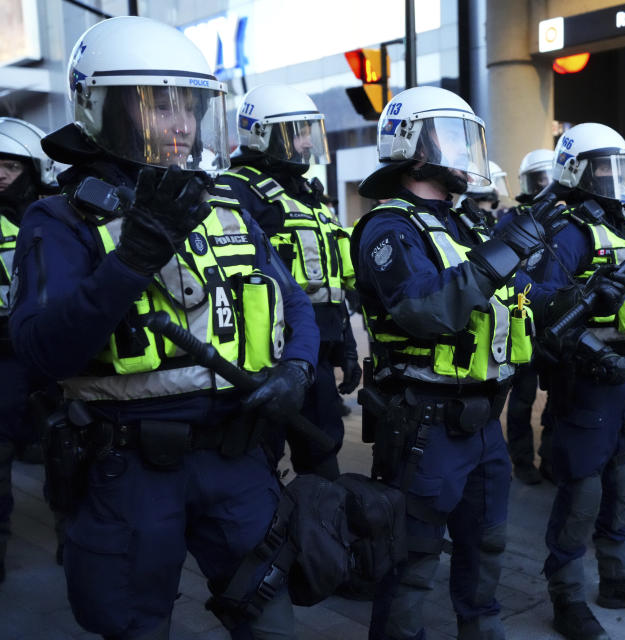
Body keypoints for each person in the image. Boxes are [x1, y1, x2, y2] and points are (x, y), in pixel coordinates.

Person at [9, 16, 319, 639]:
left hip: (237, 458)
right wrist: (131, 262)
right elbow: (44, 349)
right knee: (135, 626)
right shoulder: (59, 218)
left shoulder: (224, 205)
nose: (181, 123)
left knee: (273, 621)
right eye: (158, 106)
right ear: (102, 109)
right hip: (129, 468)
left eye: (192, 106)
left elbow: (295, 302)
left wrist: (298, 367)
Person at [351, 85, 547, 640]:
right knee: (411, 559)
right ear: (413, 147)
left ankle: (481, 631)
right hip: (426, 422)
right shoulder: (388, 228)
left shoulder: (462, 225)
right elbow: (425, 310)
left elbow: (516, 298)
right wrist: (503, 254)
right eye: (452, 139)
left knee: (487, 543)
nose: (466, 154)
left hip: (483, 421)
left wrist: (571, 298)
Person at [519, 122, 625, 640]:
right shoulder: (570, 231)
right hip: (585, 377)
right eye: (601, 167)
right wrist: (589, 352)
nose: (613, 176)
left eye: (618, 165)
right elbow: (543, 310)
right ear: (576, 172)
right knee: (583, 489)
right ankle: (566, 594)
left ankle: (617, 573)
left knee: (622, 478)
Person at [215, 84, 359, 480]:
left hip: (319, 350)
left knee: (323, 450)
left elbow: (332, 283)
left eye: (309, 130)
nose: (307, 140)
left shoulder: (310, 196)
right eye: (297, 131)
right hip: (268, 356)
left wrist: (345, 345)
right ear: (261, 134)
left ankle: (320, 533)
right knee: (261, 457)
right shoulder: (235, 191)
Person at [0, 116, 60, 584]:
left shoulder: (59, 214)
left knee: (65, 447)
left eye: (9, 165)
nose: (0, 174)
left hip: (49, 350)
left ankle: (74, 537)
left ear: (34, 167)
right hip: (2, 359)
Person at [501, 148, 555, 486]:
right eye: (540, 178)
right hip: (522, 322)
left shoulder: (567, 217)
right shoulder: (513, 219)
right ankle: (522, 460)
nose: (546, 185)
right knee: (522, 398)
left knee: (563, 396)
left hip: (557, 319)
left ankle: (551, 457)